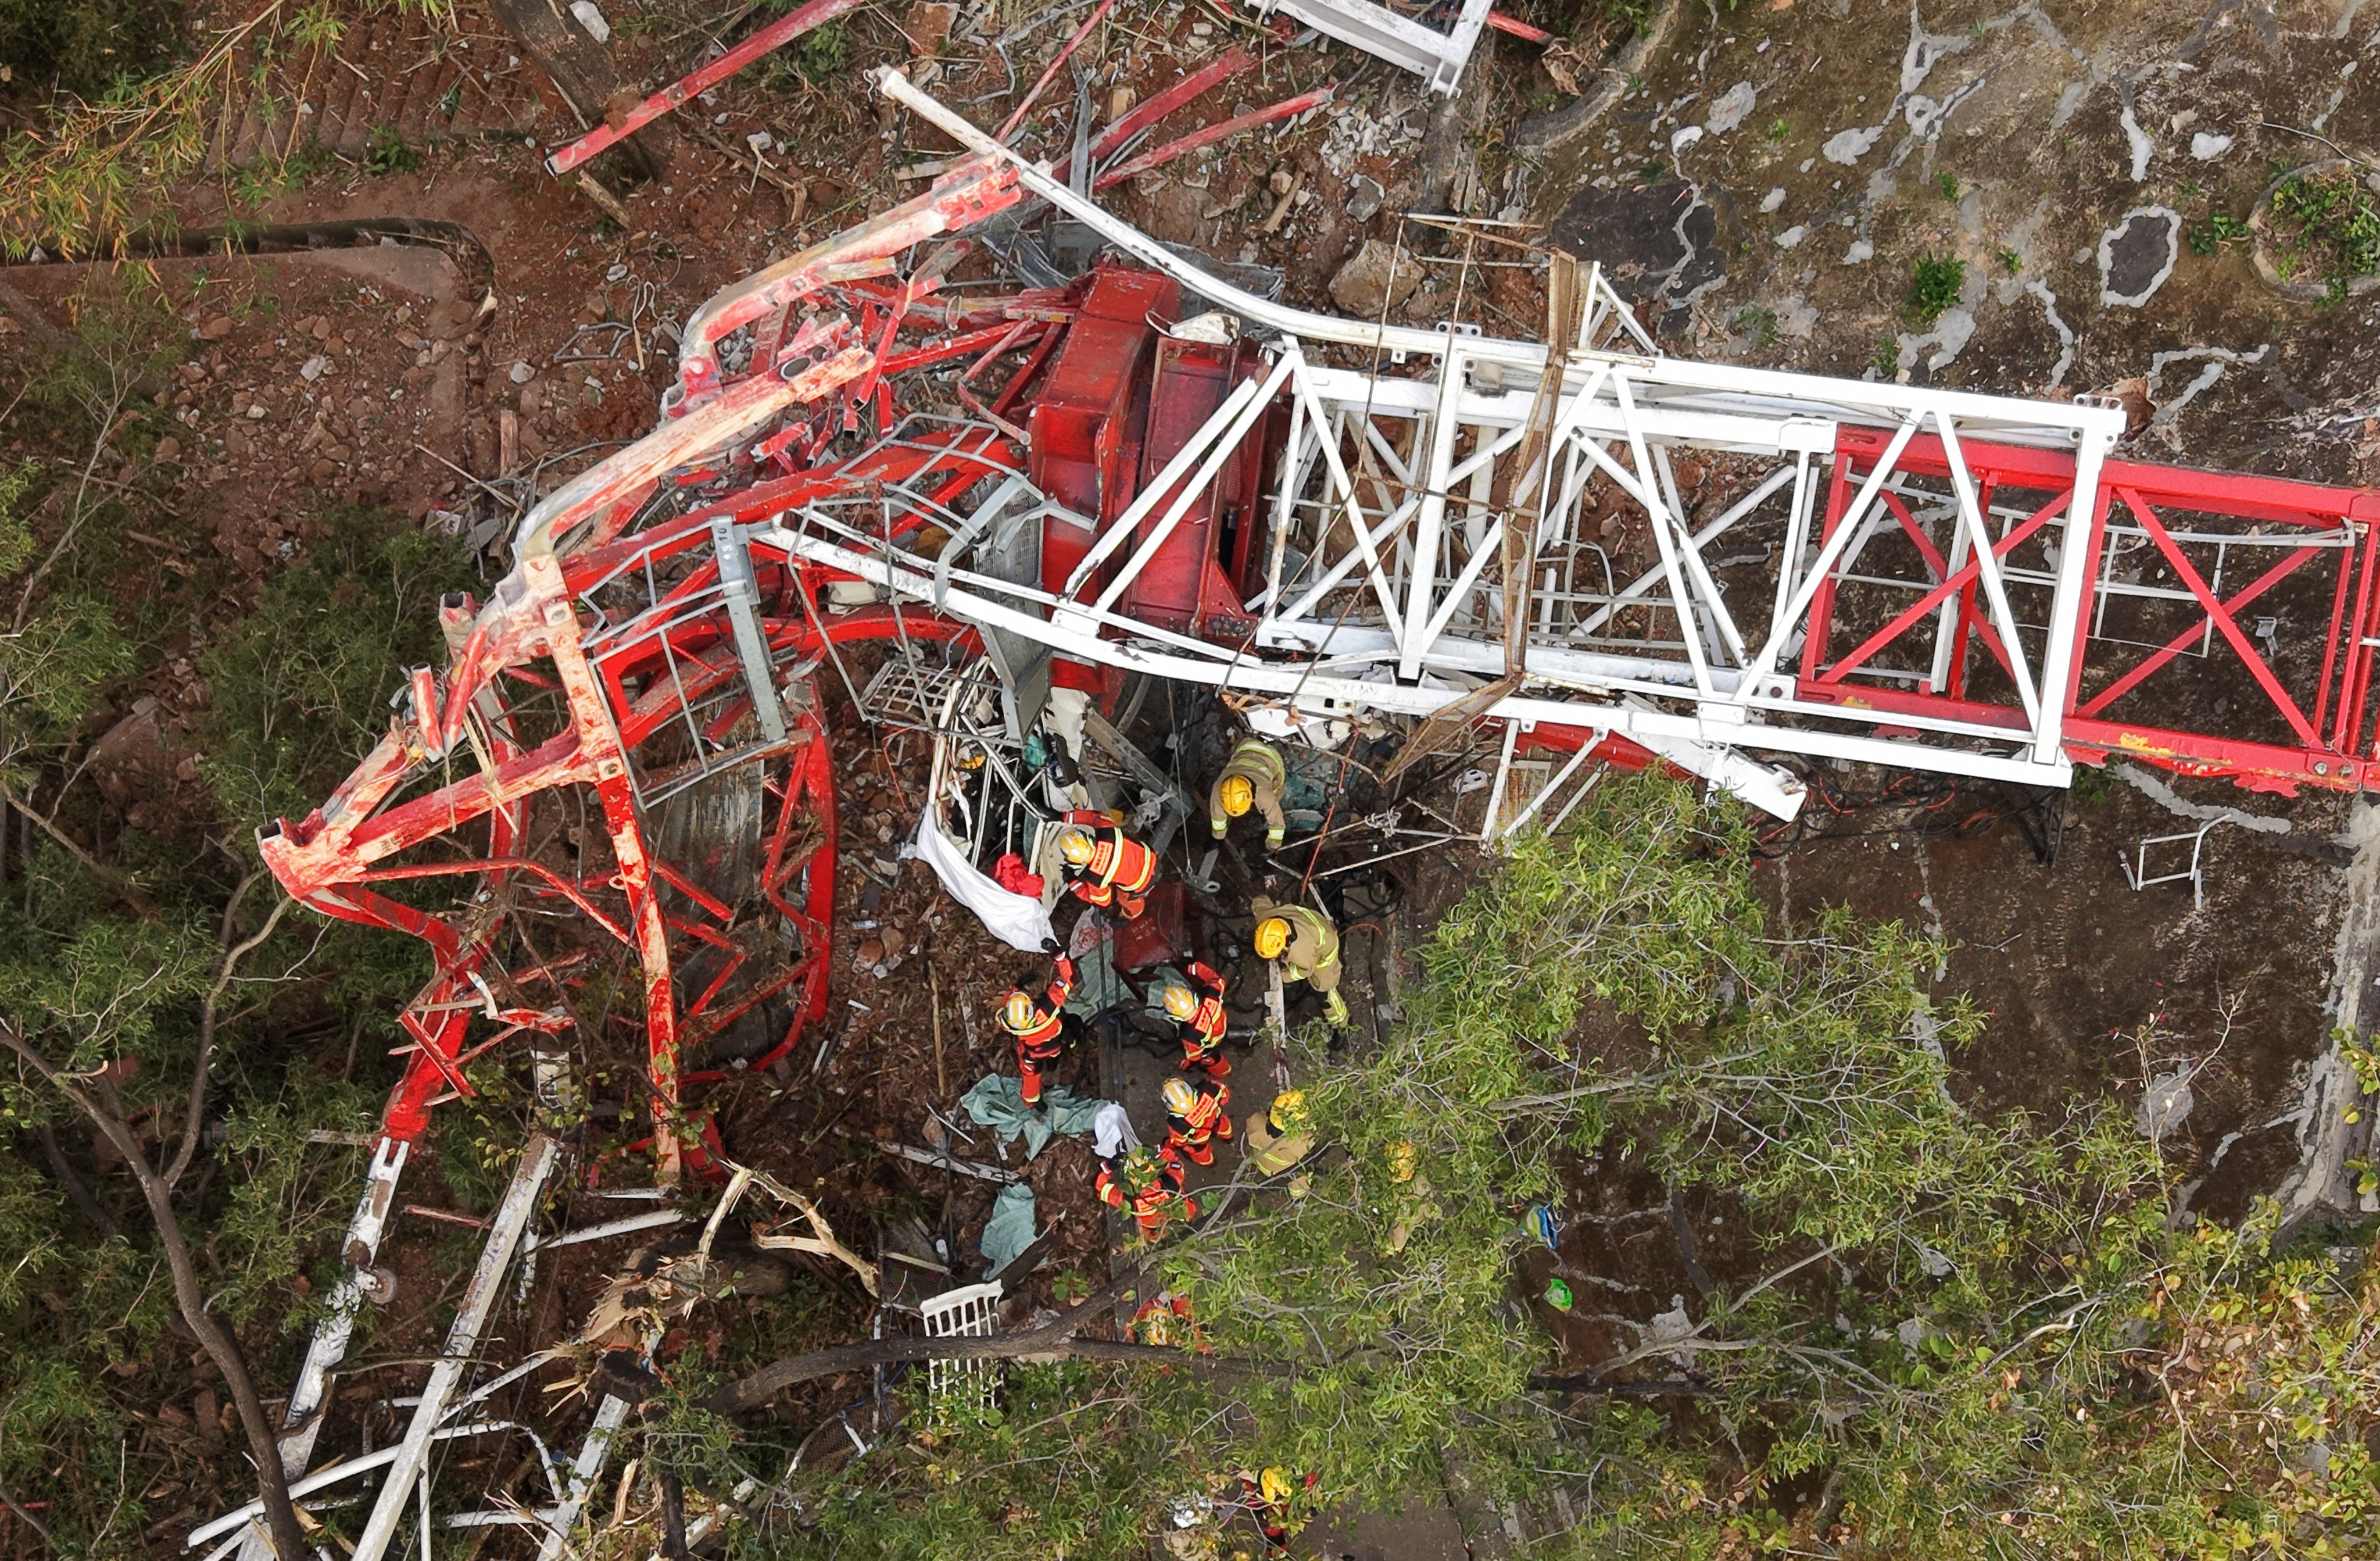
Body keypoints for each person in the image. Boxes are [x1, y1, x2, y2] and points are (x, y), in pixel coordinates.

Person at [1250, 896, 1348, 1025]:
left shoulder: (1299, 952)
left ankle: (1341, 1022)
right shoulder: (1269, 920)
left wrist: (1285, 976)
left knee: (1324, 991)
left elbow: (1308, 969)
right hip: (1313, 923)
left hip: (1325, 950)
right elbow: (1259, 902)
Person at [998, 952, 1076, 1106]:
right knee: (1074, 1025)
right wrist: (1060, 956)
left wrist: (1015, 989)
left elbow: (1006, 1014)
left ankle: (1034, 1102)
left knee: (1031, 1077)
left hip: (1033, 1055)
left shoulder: (1010, 1024)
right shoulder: (1047, 1007)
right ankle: (1054, 1064)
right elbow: (1067, 978)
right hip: (1058, 1043)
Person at [1055, 822, 1157, 920]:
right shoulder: (1117, 895)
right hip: (1097, 851)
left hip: (1103, 846)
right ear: (1126, 903)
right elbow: (1091, 896)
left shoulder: (1139, 884)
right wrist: (1072, 880)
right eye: (1123, 910)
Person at [1096, 1144, 1197, 1239]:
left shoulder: (1128, 1200)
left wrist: (1108, 1167)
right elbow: (1176, 1162)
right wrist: (1158, 1152)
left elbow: (1101, 1188)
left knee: (1157, 1237)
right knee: (1186, 1220)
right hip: (1183, 1215)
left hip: (1153, 1228)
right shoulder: (1172, 1181)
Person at [1208, 735, 1289, 848]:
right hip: (1247, 746)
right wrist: (1218, 837)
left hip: (1272, 757)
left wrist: (1274, 845)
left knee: (1276, 791)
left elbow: (1277, 822)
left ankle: (1264, 808)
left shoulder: (1264, 794)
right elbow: (1218, 818)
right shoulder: (1218, 790)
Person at [1161, 958, 1231, 1078]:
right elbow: (1217, 980)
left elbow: (1195, 1056)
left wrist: (1186, 1065)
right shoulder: (1210, 994)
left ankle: (1224, 1072)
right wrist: (1194, 967)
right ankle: (1226, 1071)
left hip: (1211, 1045)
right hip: (1223, 1024)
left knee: (1212, 1059)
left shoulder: (1188, 1035)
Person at [1159, 1074, 1234, 1167]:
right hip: (1217, 1120)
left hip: (1200, 1140)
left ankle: (1210, 1163)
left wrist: (1169, 1144)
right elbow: (1225, 1095)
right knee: (1225, 1127)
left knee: (1201, 1154)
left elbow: (1179, 1142)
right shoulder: (1208, 1089)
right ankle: (1228, 1138)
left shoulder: (1177, 1124)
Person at [1243, 1088, 1314, 1178]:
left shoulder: (1256, 1122)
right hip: (1283, 1174)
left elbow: (1251, 1124)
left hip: (1261, 1165)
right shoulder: (1302, 1143)